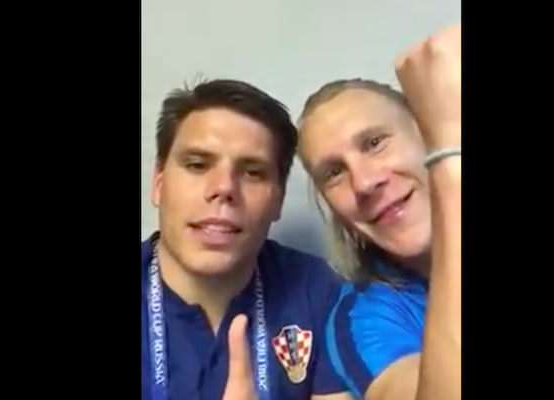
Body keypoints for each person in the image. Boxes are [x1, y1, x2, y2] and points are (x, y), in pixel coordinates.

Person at [140, 79, 355, 400]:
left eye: (253, 172)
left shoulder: (321, 292)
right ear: (159, 183)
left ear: (278, 199)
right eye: (197, 165)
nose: (224, 188)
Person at [297, 24, 461, 400]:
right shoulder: (365, 317)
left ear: (425, 131)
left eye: (374, 142)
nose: (364, 183)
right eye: (334, 172)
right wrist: (449, 155)